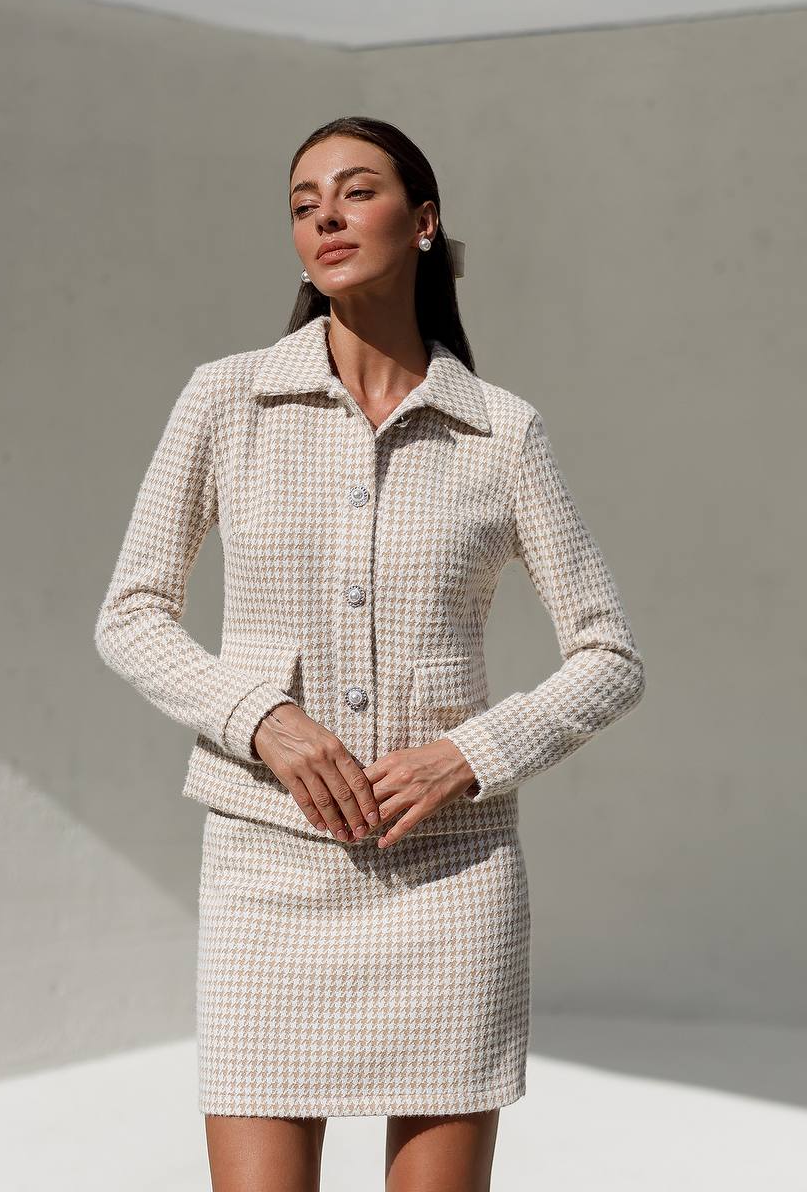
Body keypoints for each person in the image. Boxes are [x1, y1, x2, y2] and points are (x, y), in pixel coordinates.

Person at [94, 116, 646, 1191]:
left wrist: (468, 754)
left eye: (354, 192)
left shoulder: (502, 432)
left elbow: (609, 652)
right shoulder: (226, 398)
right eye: (303, 203)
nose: (326, 216)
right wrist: (263, 717)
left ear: (424, 222)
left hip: (449, 874)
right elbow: (130, 611)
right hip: (267, 863)